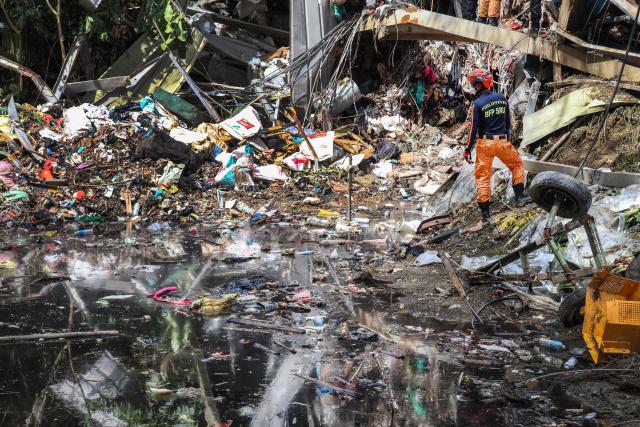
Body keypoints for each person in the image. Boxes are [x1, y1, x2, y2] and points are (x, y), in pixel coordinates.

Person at [464, 68, 531, 222]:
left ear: (479, 84)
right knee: (517, 166)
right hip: (502, 141)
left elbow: (473, 129)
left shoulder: (477, 103)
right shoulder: (502, 98)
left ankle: (486, 214)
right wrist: (508, 141)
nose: (473, 87)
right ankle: (520, 197)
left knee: (483, 177)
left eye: (473, 84)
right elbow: (508, 124)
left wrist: (467, 150)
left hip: (485, 144)